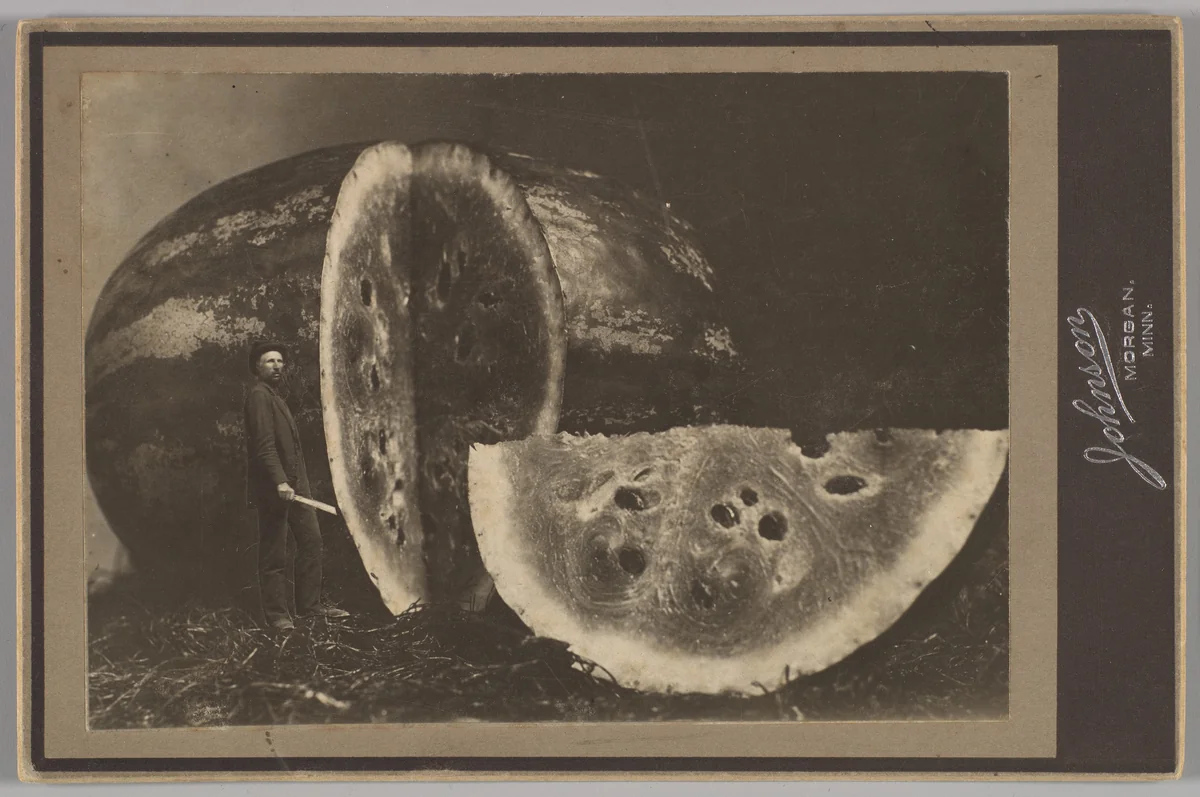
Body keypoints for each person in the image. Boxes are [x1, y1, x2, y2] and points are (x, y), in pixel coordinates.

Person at [243, 341, 349, 630]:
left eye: (280, 361)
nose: (277, 366)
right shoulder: (258, 396)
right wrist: (280, 481)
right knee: (274, 551)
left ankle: (310, 607)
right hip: (275, 488)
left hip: (295, 486)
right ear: (256, 368)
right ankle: (277, 615)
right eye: (270, 361)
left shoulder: (275, 397)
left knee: (312, 541)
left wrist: (294, 483)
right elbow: (264, 447)